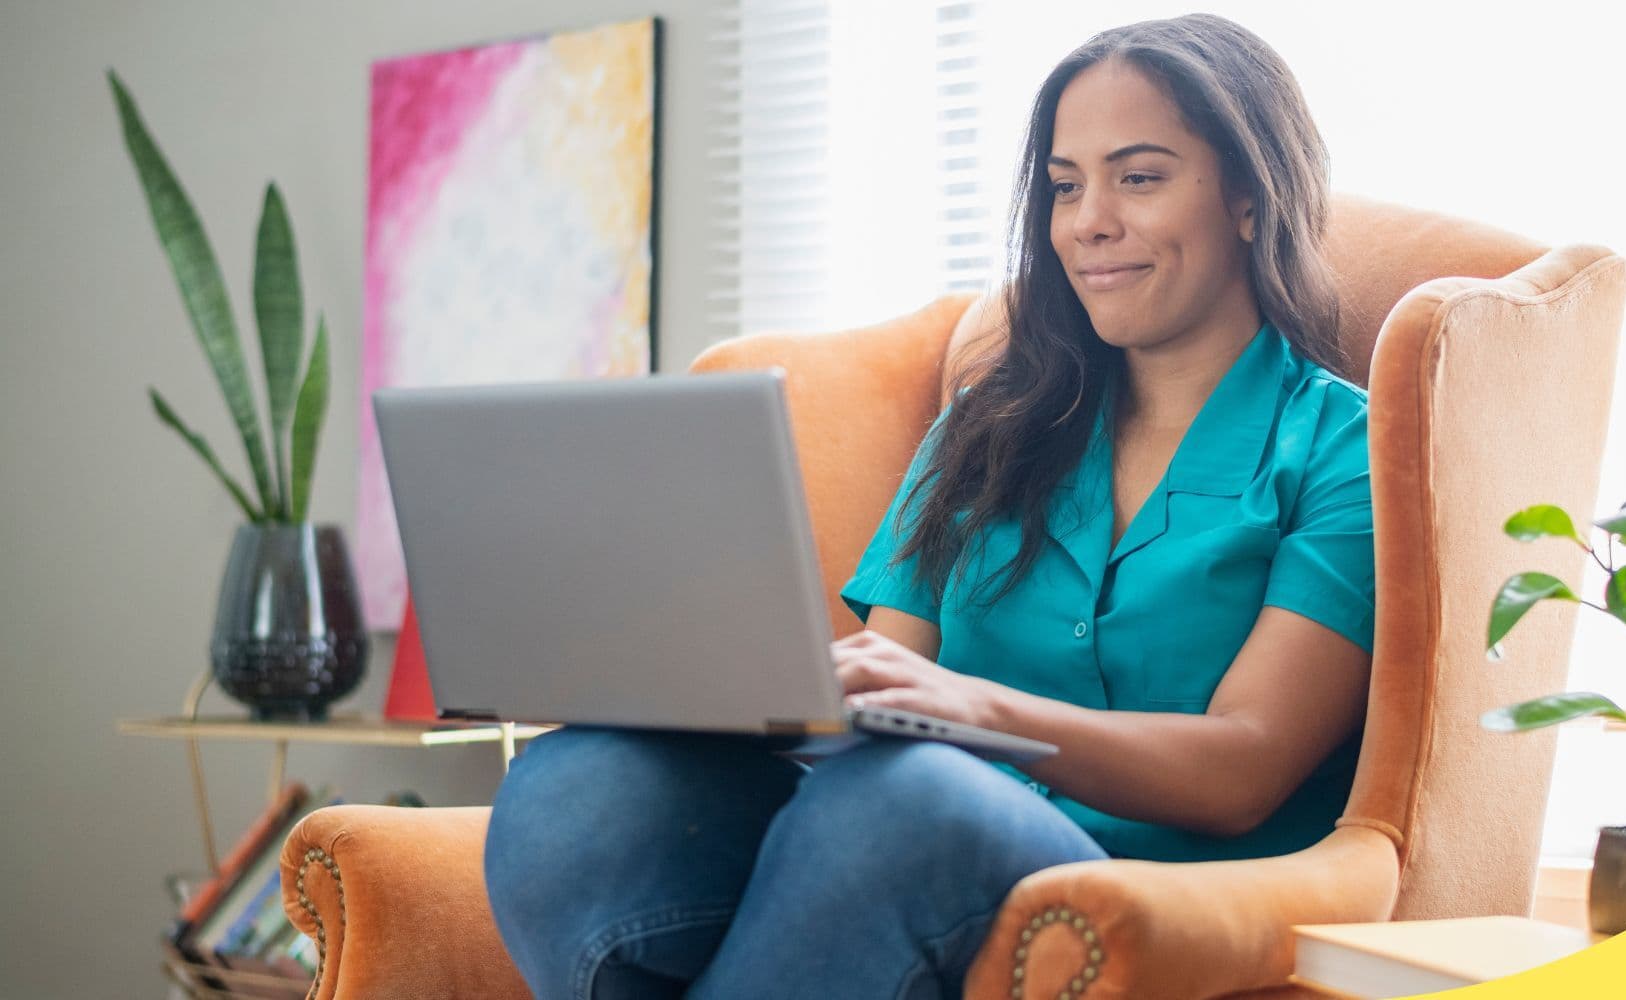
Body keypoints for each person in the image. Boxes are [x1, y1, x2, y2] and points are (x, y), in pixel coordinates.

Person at [482, 12, 1374, 999]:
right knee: (574, 788)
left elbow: (1245, 768)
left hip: (1139, 883)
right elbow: (883, 688)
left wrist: (978, 709)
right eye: (1066, 185)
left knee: (916, 798)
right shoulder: (983, 429)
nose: (1087, 222)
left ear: (1250, 197)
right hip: (884, 848)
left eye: (1139, 176)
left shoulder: (1343, 450)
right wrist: (699, 691)